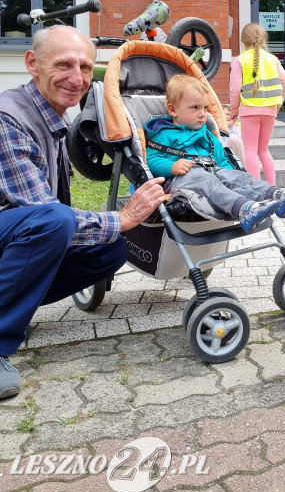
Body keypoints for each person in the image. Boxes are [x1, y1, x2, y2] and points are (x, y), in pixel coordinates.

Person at [0, 25, 168, 400]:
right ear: (32, 64)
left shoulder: (51, 118)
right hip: (12, 230)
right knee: (58, 220)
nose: (76, 79)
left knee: (111, 251)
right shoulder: (8, 119)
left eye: (85, 67)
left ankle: (12, 306)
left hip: (12, 235)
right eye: (63, 65)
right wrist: (123, 219)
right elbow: (41, 214)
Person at [146, 75, 285, 232]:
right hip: (182, 179)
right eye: (195, 108)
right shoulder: (163, 134)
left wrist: (230, 175)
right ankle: (244, 209)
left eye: (205, 108)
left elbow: (221, 159)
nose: (203, 114)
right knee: (205, 179)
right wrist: (172, 166)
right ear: (173, 110)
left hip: (212, 169)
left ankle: (277, 195)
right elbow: (152, 160)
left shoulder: (207, 134)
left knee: (239, 177)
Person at [229, 23, 285, 183]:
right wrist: (279, 101)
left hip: (249, 111)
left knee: (250, 150)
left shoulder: (240, 60)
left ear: (243, 41)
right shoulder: (273, 59)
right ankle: (272, 188)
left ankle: (257, 188)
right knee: (263, 150)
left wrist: (234, 110)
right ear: (263, 40)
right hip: (269, 110)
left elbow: (235, 89)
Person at [221, 103, 247, 168]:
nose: (226, 117)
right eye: (222, 115)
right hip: (224, 155)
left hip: (240, 155)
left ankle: (250, 167)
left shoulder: (239, 127)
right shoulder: (216, 129)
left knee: (233, 138)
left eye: (228, 114)